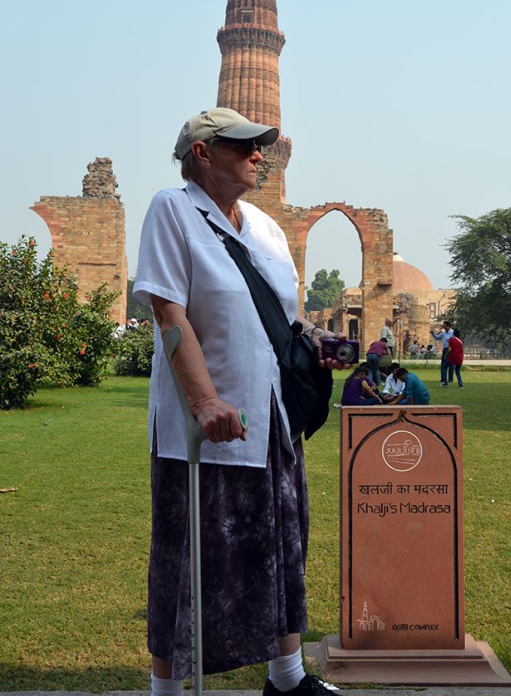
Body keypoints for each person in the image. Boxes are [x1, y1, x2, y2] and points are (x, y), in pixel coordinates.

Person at [133, 107, 346, 696]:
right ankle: (167, 691)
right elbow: (169, 313)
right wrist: (204, 403)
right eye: (244, 145)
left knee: (281, 544)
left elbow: (281, 318)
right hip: (205, 429)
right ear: (203, 153)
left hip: (272, 418)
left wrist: (319, 341)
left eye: (261, 145)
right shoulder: (173, 210)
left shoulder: (266, 228)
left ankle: (287, 679)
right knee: (189, 557)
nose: (259, 155)